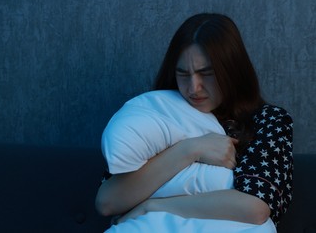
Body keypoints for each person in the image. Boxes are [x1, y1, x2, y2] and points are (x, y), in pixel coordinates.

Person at [95, 13, 293, 232]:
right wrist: (190, 149)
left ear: (231, 69)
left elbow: (255, 208)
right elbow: (107, 202)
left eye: (206, 74)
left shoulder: (268, 120)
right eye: (183, 74)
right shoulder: (158, 113)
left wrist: (152, 206)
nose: (193, 88)